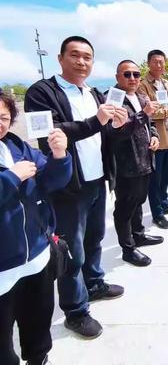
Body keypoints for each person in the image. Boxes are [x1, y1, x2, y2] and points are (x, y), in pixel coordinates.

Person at [24, 36, 127, 339]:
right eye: (75, 55)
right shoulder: (42, 92)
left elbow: (102, 133)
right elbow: (48, 134)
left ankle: (94, 283)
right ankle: (75, 310)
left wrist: (115, 127)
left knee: (95, 238)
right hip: (68, 184)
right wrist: (97, 121)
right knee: (71, 251)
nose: (82, 62)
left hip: (97, 179)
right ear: (60, 58)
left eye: (87, 57)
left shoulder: (94, 93)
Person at [0, 91, 72, 365]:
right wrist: (10, 177)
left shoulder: (17, 147)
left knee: (38, 319)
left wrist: (58, 154)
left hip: (36, 258)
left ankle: (39, 358)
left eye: (4, 117)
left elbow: (52, 181)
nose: (0, 123)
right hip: (2, 268)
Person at [111, 61, 164, 267]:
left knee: (139, 200)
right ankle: (128, 248)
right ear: (118, 77)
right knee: (125, 206)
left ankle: (138, 234)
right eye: (127, 74)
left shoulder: (142, 97)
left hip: (145, 159)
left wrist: (154, 136)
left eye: (136, 74)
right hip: (127, 163)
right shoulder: (114, 99)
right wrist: (144, 114)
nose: (132, 78)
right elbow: (119, 131)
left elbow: (149, 125)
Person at [137, 50, 168, 227]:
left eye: (162, 62)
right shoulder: (142, 85)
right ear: (148, 63)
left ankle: (164, 203)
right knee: (155, 179)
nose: (159, 65)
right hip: (157, 138)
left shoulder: (166, 83)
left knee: (166, 175)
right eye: (155, 62)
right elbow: (148, 113)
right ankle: (157, 212)